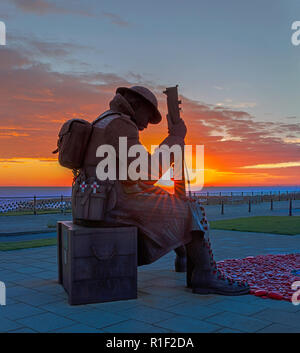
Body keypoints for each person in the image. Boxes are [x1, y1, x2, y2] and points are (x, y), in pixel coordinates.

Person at [72, 86, 250, 295]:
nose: (147, 125)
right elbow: (147, 172)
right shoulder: (121, 124)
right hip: (113, 207)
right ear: (136, 105)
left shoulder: (104, 120)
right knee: (189, 208)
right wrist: (174, 138)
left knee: (170, 202)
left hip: (96, 204)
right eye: (148, 116)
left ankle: (184, 258)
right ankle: (204, 274)